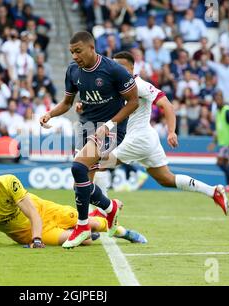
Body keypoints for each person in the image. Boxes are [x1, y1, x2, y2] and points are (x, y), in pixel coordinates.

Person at [39, 31, 140, 248]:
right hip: (85, 128)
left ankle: (82, 225)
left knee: (77, 168)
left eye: (78, 51)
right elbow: (67, 103)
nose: (74, 56)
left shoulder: (114, 70)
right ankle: (110, 208)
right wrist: (50, 114)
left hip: (109, 130)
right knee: (82, 185)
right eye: (71, 52)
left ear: (91, 48)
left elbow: (133, 102)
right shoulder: (73, 71)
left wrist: (109, 125)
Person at [97, 51, 229, 215]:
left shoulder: (139, 84)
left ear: (132, 68)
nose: (117, 69)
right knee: (166, 179)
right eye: (114, 65)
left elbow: (166, 105)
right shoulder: (115, 86)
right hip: (146, 139)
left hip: (138, 139)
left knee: (99, 164)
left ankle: (104, 212)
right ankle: (212, 191)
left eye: (121, 66)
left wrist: (171, 131)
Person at [0, 157, 147, 248]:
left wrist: (37, 240)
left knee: (92, 224)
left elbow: (33, 213)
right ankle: (93, 224)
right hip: (29, 234)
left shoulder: (9, 182)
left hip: (46, 212)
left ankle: (123, 231)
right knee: (84, 241)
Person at [208, 91, 229, 192]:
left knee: (220, 162)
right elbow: (219, 129)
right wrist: (214, 142)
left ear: (222, 99)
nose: (217, 100)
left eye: (219, 98)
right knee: (226, 163)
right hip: (223, 142)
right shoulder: (218, 112)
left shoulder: (227, 110)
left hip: (228, 142)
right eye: (216, 98)